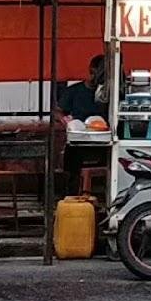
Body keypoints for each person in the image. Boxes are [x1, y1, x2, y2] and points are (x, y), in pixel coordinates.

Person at [55, 54, 109, 196]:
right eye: (95, 74)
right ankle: (72, 194)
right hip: (78, 140)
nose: (96, 78)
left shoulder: (108, 94)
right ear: (91, 71)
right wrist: (65, 120)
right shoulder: (74, 91)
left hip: (103, 141)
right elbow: (57, 111)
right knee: (72, 161)